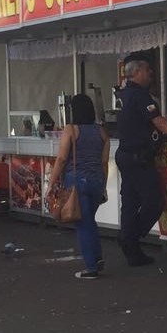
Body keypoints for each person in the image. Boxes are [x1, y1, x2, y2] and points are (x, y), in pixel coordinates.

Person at [115, 52, 167, 267]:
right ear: (137, 72)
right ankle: (130, 238)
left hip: (126, 155)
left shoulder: (124, 94)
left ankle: (132, 249)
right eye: (147, 69)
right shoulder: (139, 95)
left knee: (130, 203)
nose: (150, 73)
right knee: (155, 202)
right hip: (139, 159)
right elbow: (159, 122)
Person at [49, 94, 110, 279]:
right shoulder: (101, 131)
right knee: (89, 221)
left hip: (77, 182)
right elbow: (104, 162)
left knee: (83, 225)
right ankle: (97, 257)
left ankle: (91, 267)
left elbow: (61, 159)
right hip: (97, 182)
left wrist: (51, 183)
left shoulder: (71, 129)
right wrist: (103, 185)